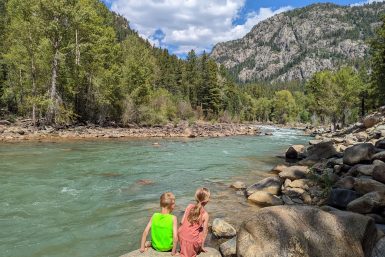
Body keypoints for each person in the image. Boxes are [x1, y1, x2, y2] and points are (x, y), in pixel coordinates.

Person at [178, 187, 210, 257]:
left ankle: (183, 248)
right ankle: (195, 248)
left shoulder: (189, 206)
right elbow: (205, 233)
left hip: (181, 238)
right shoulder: (205, 214)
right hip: (192, 243)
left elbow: (181, 222)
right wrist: (202, 247)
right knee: (202, 230)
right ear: (207, 200)